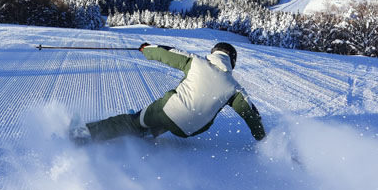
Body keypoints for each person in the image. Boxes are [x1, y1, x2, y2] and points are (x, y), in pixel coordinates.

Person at [70, 41, 266, 144]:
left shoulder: (197, 62)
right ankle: (148, 133)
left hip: (170, 111)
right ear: (232, 61)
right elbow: (252, 117)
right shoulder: (235, 88)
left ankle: (85, 134)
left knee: (134, 120)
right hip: (189, 130)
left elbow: (167, 53)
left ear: (213, 53)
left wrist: (147, 49)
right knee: (176, 119)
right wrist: (263, 140)